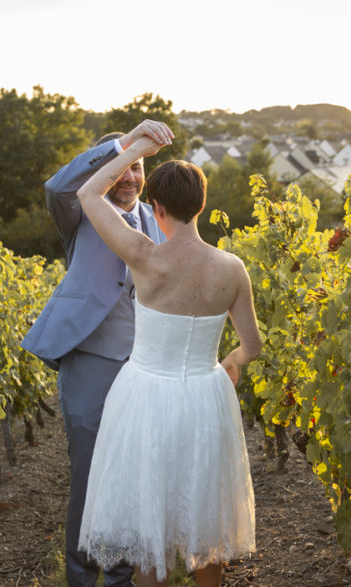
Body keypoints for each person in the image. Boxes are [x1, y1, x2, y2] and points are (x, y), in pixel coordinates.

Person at [74, 129, 262, 587]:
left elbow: (86, 192)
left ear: (156, 208)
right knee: (206, 524)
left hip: (144, 395)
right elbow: (252, 346)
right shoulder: (231, 268)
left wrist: (137, 150)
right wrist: (230, 365)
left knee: (149, 529)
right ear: (199, 205)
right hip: (205, 393)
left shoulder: (143, 256)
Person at [21, 120, 175, 587]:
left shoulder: (155, 220)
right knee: (90, 479)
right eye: (122, 168)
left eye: (138, 168)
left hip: (143, 370)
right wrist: (125, 143)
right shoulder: (79, 209)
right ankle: (83, 579)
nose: (129, 176)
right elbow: (56, 186)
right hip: (89, 360)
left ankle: (122, 577)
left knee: (132, 478)